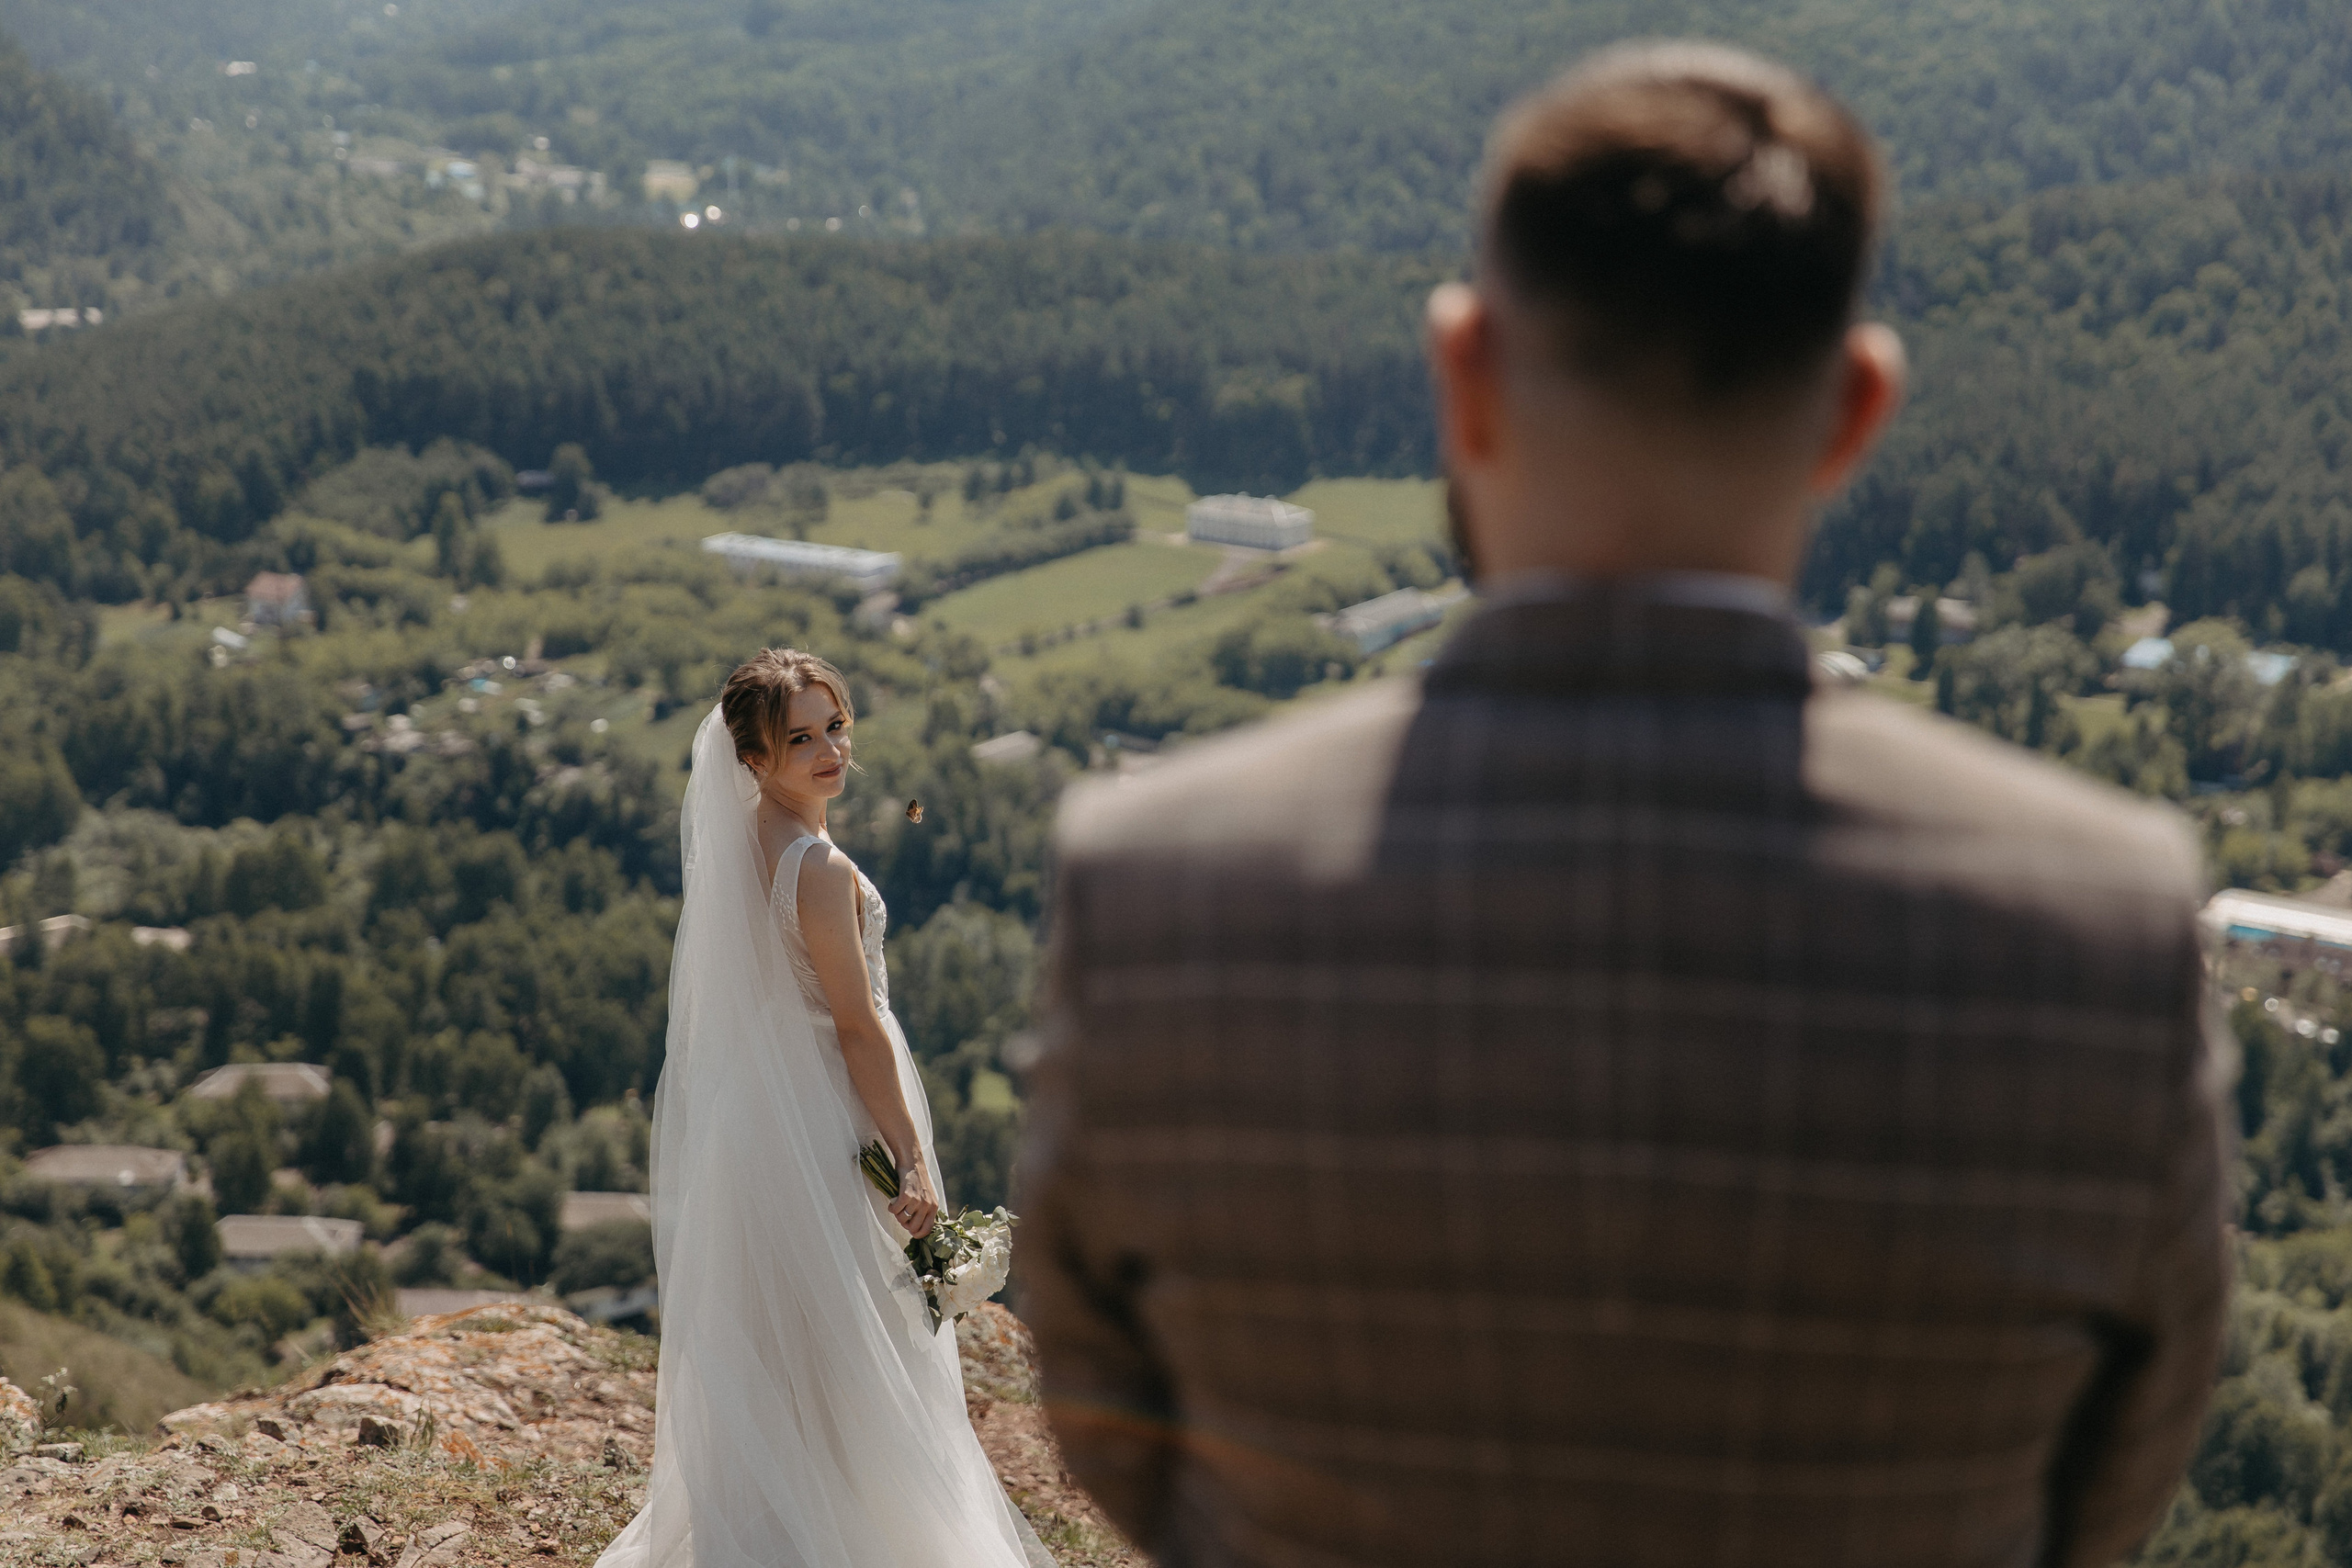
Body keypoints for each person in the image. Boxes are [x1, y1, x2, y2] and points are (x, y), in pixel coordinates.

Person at [1019, 42, 2230, 1568]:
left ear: (1464, 372)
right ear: (1858, 407)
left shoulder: (1159, 886)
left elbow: (1111, 1412)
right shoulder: (2106, 924)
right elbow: (2098, 1503)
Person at [594, 649, 1049, 1568]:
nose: (828, 749)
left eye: (834, 726)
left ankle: (782, 1527)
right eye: (799, 737)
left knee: (784, 1337)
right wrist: (911, 1161)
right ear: (753, 758)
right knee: (862, 1337)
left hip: (758, 1118)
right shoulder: (817, 867)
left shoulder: (744, 842)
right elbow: (854, 1024)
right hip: (828, 1114)